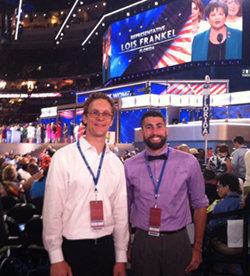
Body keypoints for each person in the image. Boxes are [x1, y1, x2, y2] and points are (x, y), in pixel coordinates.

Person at [43, 93, 129, 276]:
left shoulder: (116, 164)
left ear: (112, 120)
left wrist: (121, 257)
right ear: (85, 117)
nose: (100, 117)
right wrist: (56, 257)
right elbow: (52, 211)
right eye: (95, 112)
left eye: (106, 114)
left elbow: (120, 214)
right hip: (73, 250)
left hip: (107, 250)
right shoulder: (63, 158)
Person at [124, 110, 208, 276]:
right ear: (142, 132)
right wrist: (125, 246)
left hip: (178, 241)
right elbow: (124, 209)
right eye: (149, 127)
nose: (155, 132)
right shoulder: (129, 165)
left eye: (159, 126)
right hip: (143, 241)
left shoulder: (189, 162)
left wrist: (198, 246)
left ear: (166, 129)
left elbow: (200, 205)